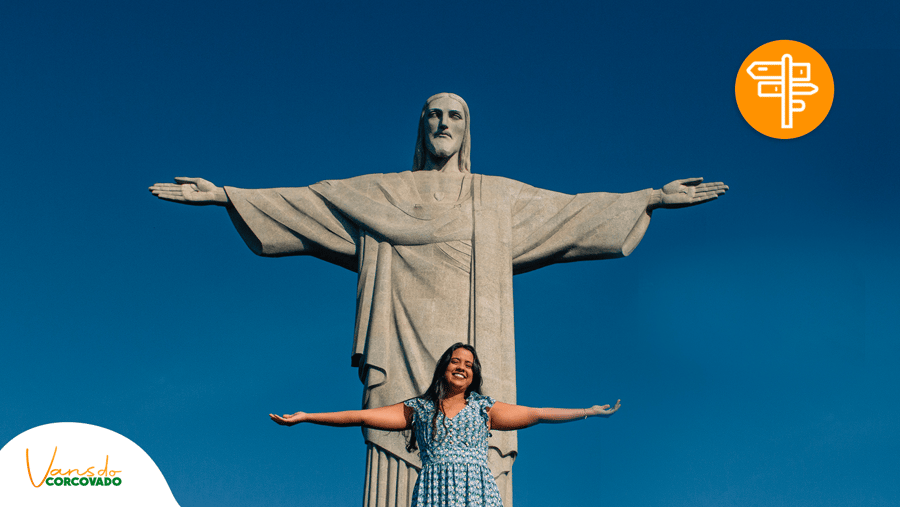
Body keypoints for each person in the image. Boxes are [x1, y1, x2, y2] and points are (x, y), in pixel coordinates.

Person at [150, 92, 726, 507]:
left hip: (480, 325)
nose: (443, 122)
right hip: (399, 335)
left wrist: (649, 197)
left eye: (455, 115)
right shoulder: (382, 192)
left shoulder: (496, 198)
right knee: (396, 449)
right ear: (420, 125)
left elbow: (571, 211)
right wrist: (227, 195)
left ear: (467, 129)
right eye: (434, 114)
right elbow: (311, 204)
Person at [270, 343, 621, 507]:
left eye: (469, 364)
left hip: (476, 491)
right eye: (456, 361)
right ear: (444, 367)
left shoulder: (483, 408)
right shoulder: (419, 409)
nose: (463, 367)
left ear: (474, 374)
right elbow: (360, 417)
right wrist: (307, 417)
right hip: (434, 491)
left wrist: (586, 410)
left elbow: (538, 413)